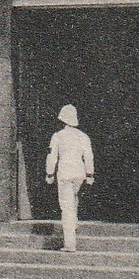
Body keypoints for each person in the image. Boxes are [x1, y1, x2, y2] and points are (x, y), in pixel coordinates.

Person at [44, 103, 94, 253]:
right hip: (79, 173)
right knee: (74, 200)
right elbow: (89, 156)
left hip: (65, 174)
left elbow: (52, 156)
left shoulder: (58, 136)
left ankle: (70, 243)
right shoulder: (83, 137)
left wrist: (49, 173)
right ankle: (74, 224)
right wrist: (90, 174)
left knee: (66, 208)